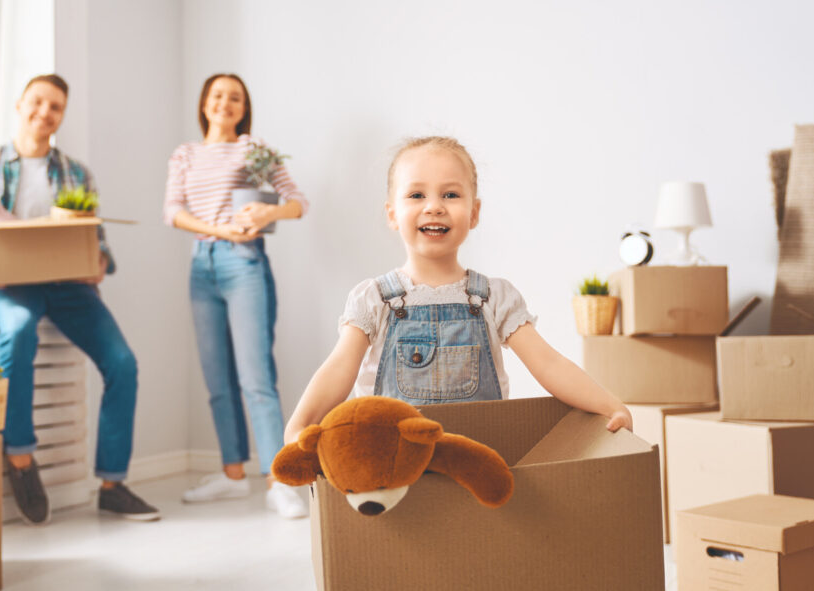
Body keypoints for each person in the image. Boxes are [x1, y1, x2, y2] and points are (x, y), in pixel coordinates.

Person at [284, 136, 632, 443]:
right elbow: (339, 369)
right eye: (416, 194)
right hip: (394, 463)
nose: (434, 206)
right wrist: (300, 424)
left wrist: (609, 405)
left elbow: (549, 364)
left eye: (450, 194)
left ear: (474, 212)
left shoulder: (494, 297)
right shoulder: (374, 299)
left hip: (478, 459)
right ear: (392, 214)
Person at [0, 74, 158, 524]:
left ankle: (112, 484)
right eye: (38, 102)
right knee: (19, 331)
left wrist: (96, 266)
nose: (45, 113)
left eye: (56, 107)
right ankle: (21, 460)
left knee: (123, 364)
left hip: (70, 288)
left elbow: (97, 244)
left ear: (62, 116)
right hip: (9, 286)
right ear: (20, 104)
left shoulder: (76, 172)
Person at [163, 73, 309, 518]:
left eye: (235, 97)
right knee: (217, 380)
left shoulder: (253, 149)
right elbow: (172, 212)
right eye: (218, 95)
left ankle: (277, 480)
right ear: (204, 103)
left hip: (243, 262)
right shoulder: (185, 154)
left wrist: (268, 210)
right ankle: (230, 475)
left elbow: (298, 202)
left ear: (244, 108)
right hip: (201, 267)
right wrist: (216, 229)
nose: (225, 102)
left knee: (255, 377)